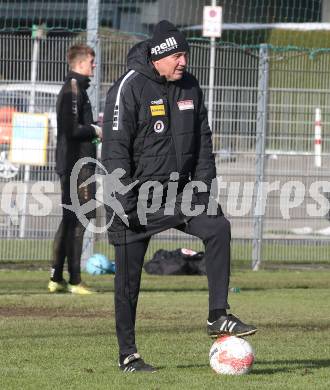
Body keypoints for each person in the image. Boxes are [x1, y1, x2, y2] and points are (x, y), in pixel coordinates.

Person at [102, 20, 257, 372]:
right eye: (176, 54)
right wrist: (123, 203)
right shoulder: (129, 87)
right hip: (134, 200)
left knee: (217, 227)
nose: (183, 61)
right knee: (128, 284)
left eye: (185, 53)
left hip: (179, 193)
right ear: (158, 56)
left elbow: (203, 141)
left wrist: (202, 188)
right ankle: (129, 356)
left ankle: (218, 315)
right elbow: (114, 149)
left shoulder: (190, 86)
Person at [48, 44, 102, 295]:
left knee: (71, 219)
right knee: (80, 218)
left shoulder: (78, 88)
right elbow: (71, 130)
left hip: (76, 163)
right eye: (92, 61)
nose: (94, 65)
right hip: (76, 165)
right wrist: (95, 130)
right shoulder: (72, 89)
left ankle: (56, 277)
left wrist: (92, 125)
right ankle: (75, 280)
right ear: (80, 63)